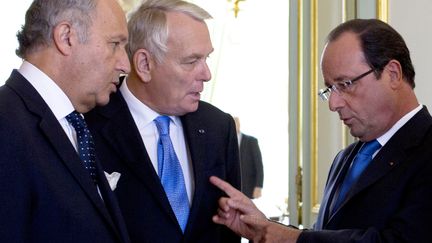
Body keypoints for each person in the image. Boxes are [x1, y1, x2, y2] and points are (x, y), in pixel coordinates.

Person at [210, 19, 432, 243]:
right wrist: (263, 229)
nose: (333, 103)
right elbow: (327, 235)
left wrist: (287, 238)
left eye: (345, 84)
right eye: (330, 89)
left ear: (392, 74)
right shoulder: (345, 159)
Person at [85, 0, 241, 242]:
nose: (207, 75)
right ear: (144, 64)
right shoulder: (87, 128)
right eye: (191, 61)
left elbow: (229, 230)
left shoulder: (218, 127)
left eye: (207, 58)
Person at [0, 0, 131, 242]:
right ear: (66, 37)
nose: (125, 65)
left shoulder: (76, 124)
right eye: (115, 44)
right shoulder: (5, 124)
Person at [234, 117, 264, 199]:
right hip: (232, 186)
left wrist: (259, 186)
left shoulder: (251, 141)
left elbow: (259, 165)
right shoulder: (225, 141)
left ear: (239, 124)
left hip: (248, 185)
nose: (235, 125)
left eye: (236, 122)